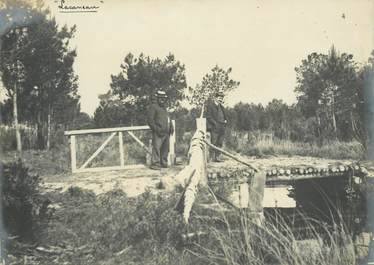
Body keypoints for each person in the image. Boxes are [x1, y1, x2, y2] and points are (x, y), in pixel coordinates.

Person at [147, 90, 174, 169]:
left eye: (164, 99)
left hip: (166, 132)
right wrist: (156, 129)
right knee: (156, 148)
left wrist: (171, 126)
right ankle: (155, 164)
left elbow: (168, 118)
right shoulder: (153, 107)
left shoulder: (164, 108)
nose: (162, 100)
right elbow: (150, 121)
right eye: (160, 98)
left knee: (166, 149)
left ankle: (163, 163)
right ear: (157, 98)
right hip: (158, 132)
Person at [206, 91, 228, 162]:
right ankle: (211, 158)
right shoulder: (210, 106)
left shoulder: (222, 107)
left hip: (222, 128)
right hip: (214, 128)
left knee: (220, 143)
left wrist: (225, 121)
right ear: (215, 98)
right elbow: (209, 117)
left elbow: (225, 117)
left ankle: (217, 158)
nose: (220, 99)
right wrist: (215, 124)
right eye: (219, 98)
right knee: (213, 143)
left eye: (221, 98)